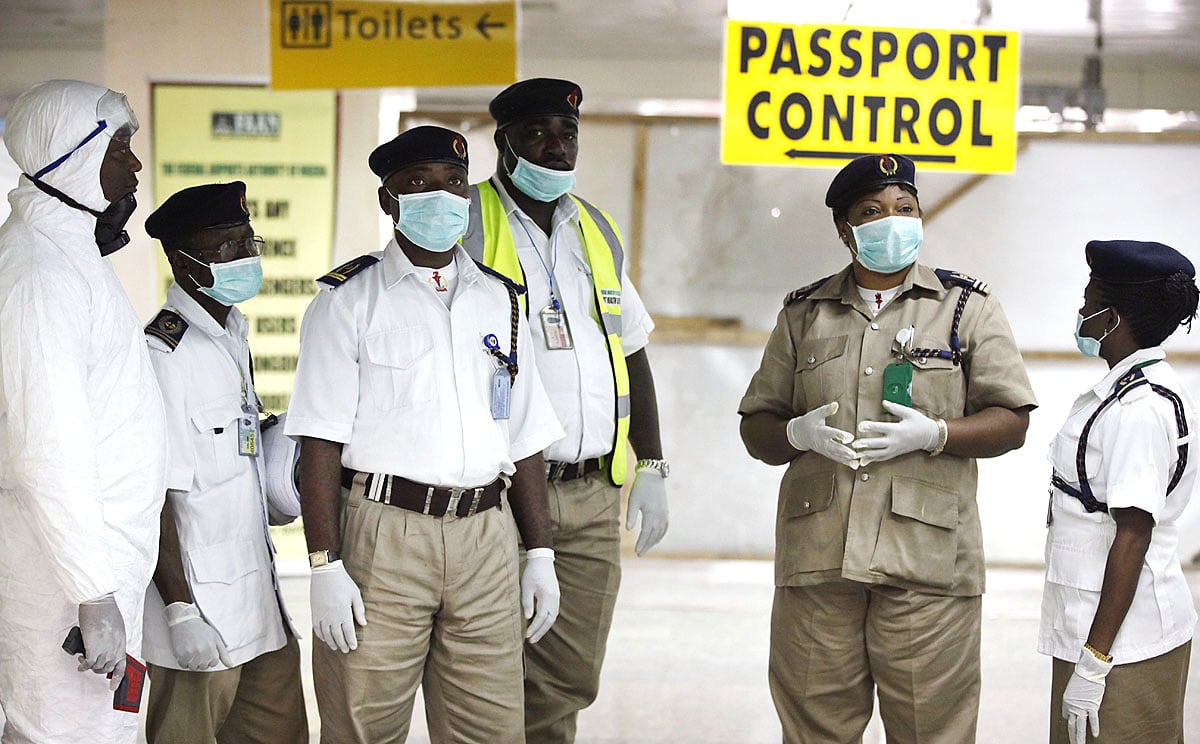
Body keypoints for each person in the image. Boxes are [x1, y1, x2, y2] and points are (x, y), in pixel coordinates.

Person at [738, 153, 1037, 742]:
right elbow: (757, 426)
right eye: (872, 212)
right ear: (846, 231)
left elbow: (1012, 419)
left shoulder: (965, 308)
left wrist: (939, 433)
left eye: (904, 208)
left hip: (926, 564)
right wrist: (795, 434)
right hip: (819, 562)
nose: (891, 220)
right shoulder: (805, 314)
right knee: (814, 728)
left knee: (932, 730)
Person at [285, 125, 564, 742]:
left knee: (489, 728)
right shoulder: (348, 302)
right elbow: (319, 445)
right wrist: (323, 565)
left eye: (454, 184)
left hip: (487, 536)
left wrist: (540, 553)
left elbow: (525, 438)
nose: (442, 199)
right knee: (364, 725)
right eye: (419, 185)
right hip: (385, 537)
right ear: (388, 200)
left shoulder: (500, 299)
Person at [462, 77, 669, 744]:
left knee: (569, 674)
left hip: (589, 495)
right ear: (504, 144)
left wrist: (655, 463)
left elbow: (631, 349)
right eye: (538, 135)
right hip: (493, 493)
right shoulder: (466, 220)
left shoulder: (595, 228)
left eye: (568, 135)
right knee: (491, 668)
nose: (556, 148)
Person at [0, 79, 165, 742]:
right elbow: (48, 447)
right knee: (64, 735)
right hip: (64, 586)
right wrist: (92, 592)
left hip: (91, 568)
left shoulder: (68, 254)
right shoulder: (38, 272)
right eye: (121, 146)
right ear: (71, 154)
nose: (134, 164)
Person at [140, 182, 307, 743]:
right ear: (182, 262)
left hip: (260, 597)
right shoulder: (164, 355)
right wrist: (180, 612)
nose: (245, 257)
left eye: (247, 241)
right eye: (225, 247)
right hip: (201, 612)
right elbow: (156, 496)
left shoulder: (232, 331)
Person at [1041, 239, 1199, 744]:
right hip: (1094, 628)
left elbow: (1133, 534)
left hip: (1121, 645)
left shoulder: (1141, 409)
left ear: (1112, 318)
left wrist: (1095, 663)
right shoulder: (1123, 391)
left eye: (1090, 299)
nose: (1081, 309)